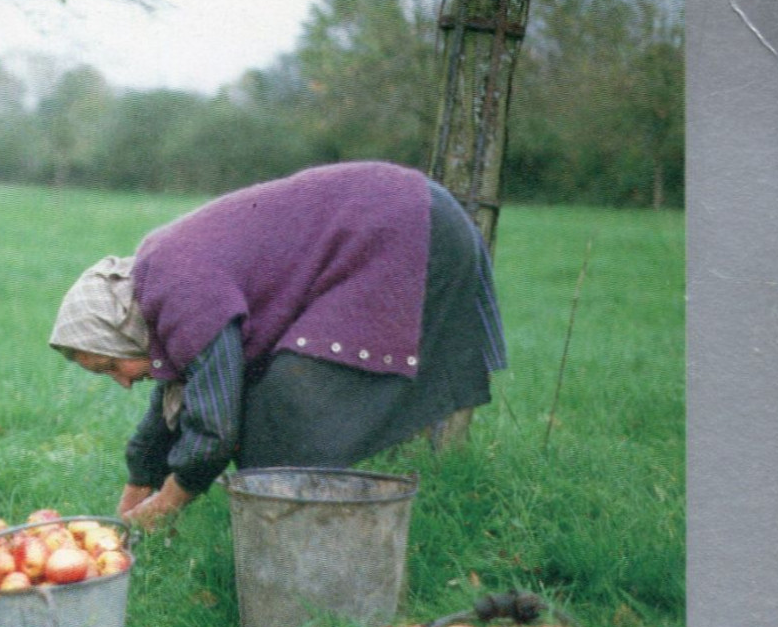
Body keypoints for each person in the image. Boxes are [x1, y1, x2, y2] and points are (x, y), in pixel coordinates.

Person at [49, 161, 507, 530]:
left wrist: (167, 503)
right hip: (400, 214)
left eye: (111, 365)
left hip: (403, 228)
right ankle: (305, 540)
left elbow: (216, 426)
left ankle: (307, 554)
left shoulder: (177, 286)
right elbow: (183, 392)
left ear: (121, 329)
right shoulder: (158, 285)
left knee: (281, 412)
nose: (123, 381)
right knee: (271, 414)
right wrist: (139, 480)